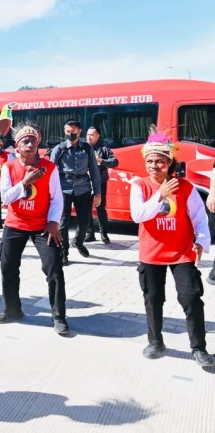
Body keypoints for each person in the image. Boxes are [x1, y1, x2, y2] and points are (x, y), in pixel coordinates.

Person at [130, 132, 212, 366]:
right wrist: (160, 194)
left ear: (169, 163)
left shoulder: (185, 186)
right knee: (153, 299)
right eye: (150, 161)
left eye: (159, 161)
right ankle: (155, 342)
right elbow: (138, 215)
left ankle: (199, 348)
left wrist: (201, 241)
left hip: (181, 252)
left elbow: (199, 218)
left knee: (191, 298)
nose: (154, 165)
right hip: (152, 253)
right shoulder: (140, 185)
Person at [0, 123, 68, 335]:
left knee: (54, 268)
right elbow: (6, 198)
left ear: (38, 144)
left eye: (33, 140)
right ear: (17, 146)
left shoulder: (50, 167)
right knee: (8, 267)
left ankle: (59, 316)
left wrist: (54, 223)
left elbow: (57, 199)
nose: (29, 143)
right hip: (15, 223)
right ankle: (12, 310)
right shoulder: (9, 167)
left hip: (42, 226)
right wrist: (25, 182)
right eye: (25, 140)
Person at [50, 120, 101, 265]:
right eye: (67, 132)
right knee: (63, 223)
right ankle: (63, 252)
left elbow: (94, 170)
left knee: (85, 221)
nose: (70, 134)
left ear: (79, 132)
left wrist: (98, 192)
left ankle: (78, 242)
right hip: (63, 188)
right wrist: (50, 193)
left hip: (83, 188)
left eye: (73, 132)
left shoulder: (86, 148)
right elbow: (51, 172)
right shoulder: (59, 149)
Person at [85, 126, 119, 243]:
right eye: (88, 134)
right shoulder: (82, 147)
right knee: (86, 208)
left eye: (92, 135)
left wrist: (101, 161)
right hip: (85, 183)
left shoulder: (104, 149)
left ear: (98, 136)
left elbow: (115, 162)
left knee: (100, 208)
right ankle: (90, 233)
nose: (89, 137)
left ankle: (103, 233)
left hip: (100, 182)